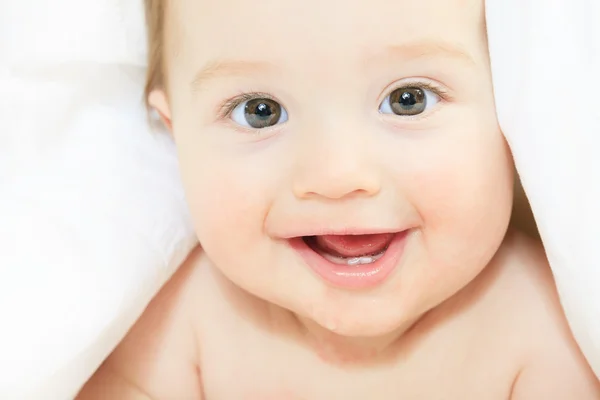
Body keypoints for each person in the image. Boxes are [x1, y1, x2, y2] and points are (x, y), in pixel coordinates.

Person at [78, 0, 600, 398]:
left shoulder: (540, 329)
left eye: (407, 100)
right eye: (260, 110)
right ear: (176, 136)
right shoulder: (184, 322)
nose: (337, 175)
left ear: (516, 116)